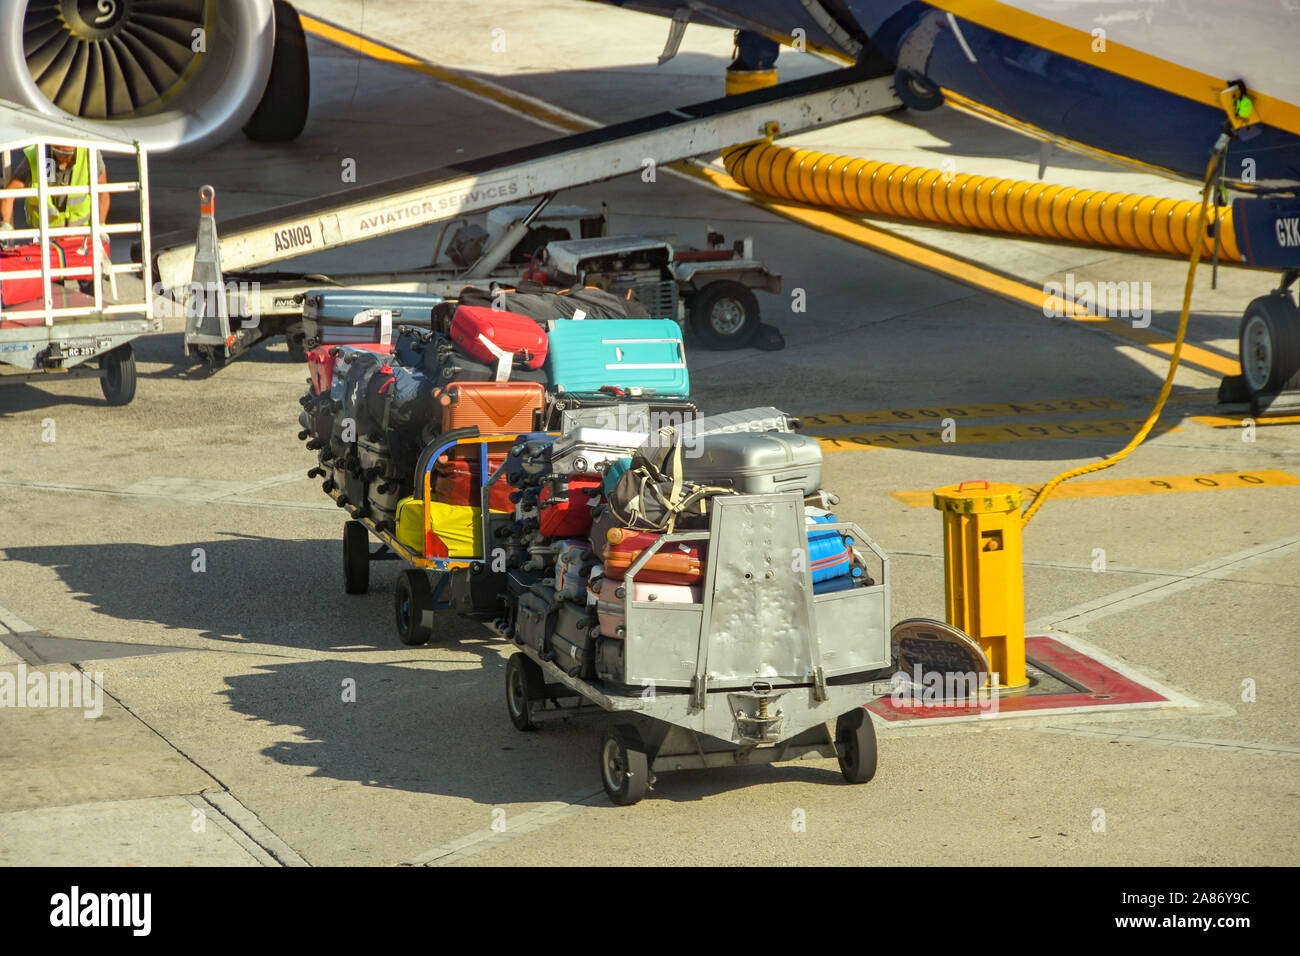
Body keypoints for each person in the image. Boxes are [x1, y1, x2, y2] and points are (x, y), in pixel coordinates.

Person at [1, 143, 109, 239]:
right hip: (46, 237)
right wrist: (6, 224)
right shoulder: (39, 155)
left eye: (69, 156)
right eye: (61, 154)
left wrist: (100, 227)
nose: (66, 160)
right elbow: (10, 193)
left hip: (81, 236)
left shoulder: (88, 152)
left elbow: (102, 192)